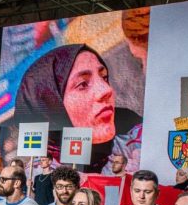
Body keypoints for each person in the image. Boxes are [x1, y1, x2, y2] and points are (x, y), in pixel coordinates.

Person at [12, 44, 142, 173]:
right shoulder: (36, 173)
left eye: (104, 78)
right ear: (50, 107)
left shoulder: (138, 141)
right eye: (83, 84)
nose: (107, 90)